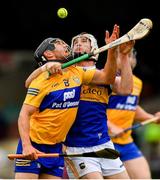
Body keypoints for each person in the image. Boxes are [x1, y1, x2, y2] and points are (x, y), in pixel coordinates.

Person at [15, 25, 119, 179]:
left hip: (55, 148)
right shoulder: (42, 79)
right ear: (49, 53)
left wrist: (112, 49)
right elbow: (24, 114)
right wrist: (26, 146)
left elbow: (107, 78)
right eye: (59, 43)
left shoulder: (76, 72)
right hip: (33, 144)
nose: (65, 44)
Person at [63, 31, 134, 179]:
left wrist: (124, 56)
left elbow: (126, 89)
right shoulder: (66, 76)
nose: (78, 43)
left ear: (94, 48)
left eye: (84, 41)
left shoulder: (103, 76)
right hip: (77, 148)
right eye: (75, 42)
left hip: (104, 145)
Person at [107, 48, 160, 179]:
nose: (128, 57)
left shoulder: (137, 82)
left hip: (126, 142)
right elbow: (92, 109)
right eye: (123, 55)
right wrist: (110, 126)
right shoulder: (105, 79)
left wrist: (152, 118)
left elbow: (132, 106)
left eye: (130, 55)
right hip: (105, 142)